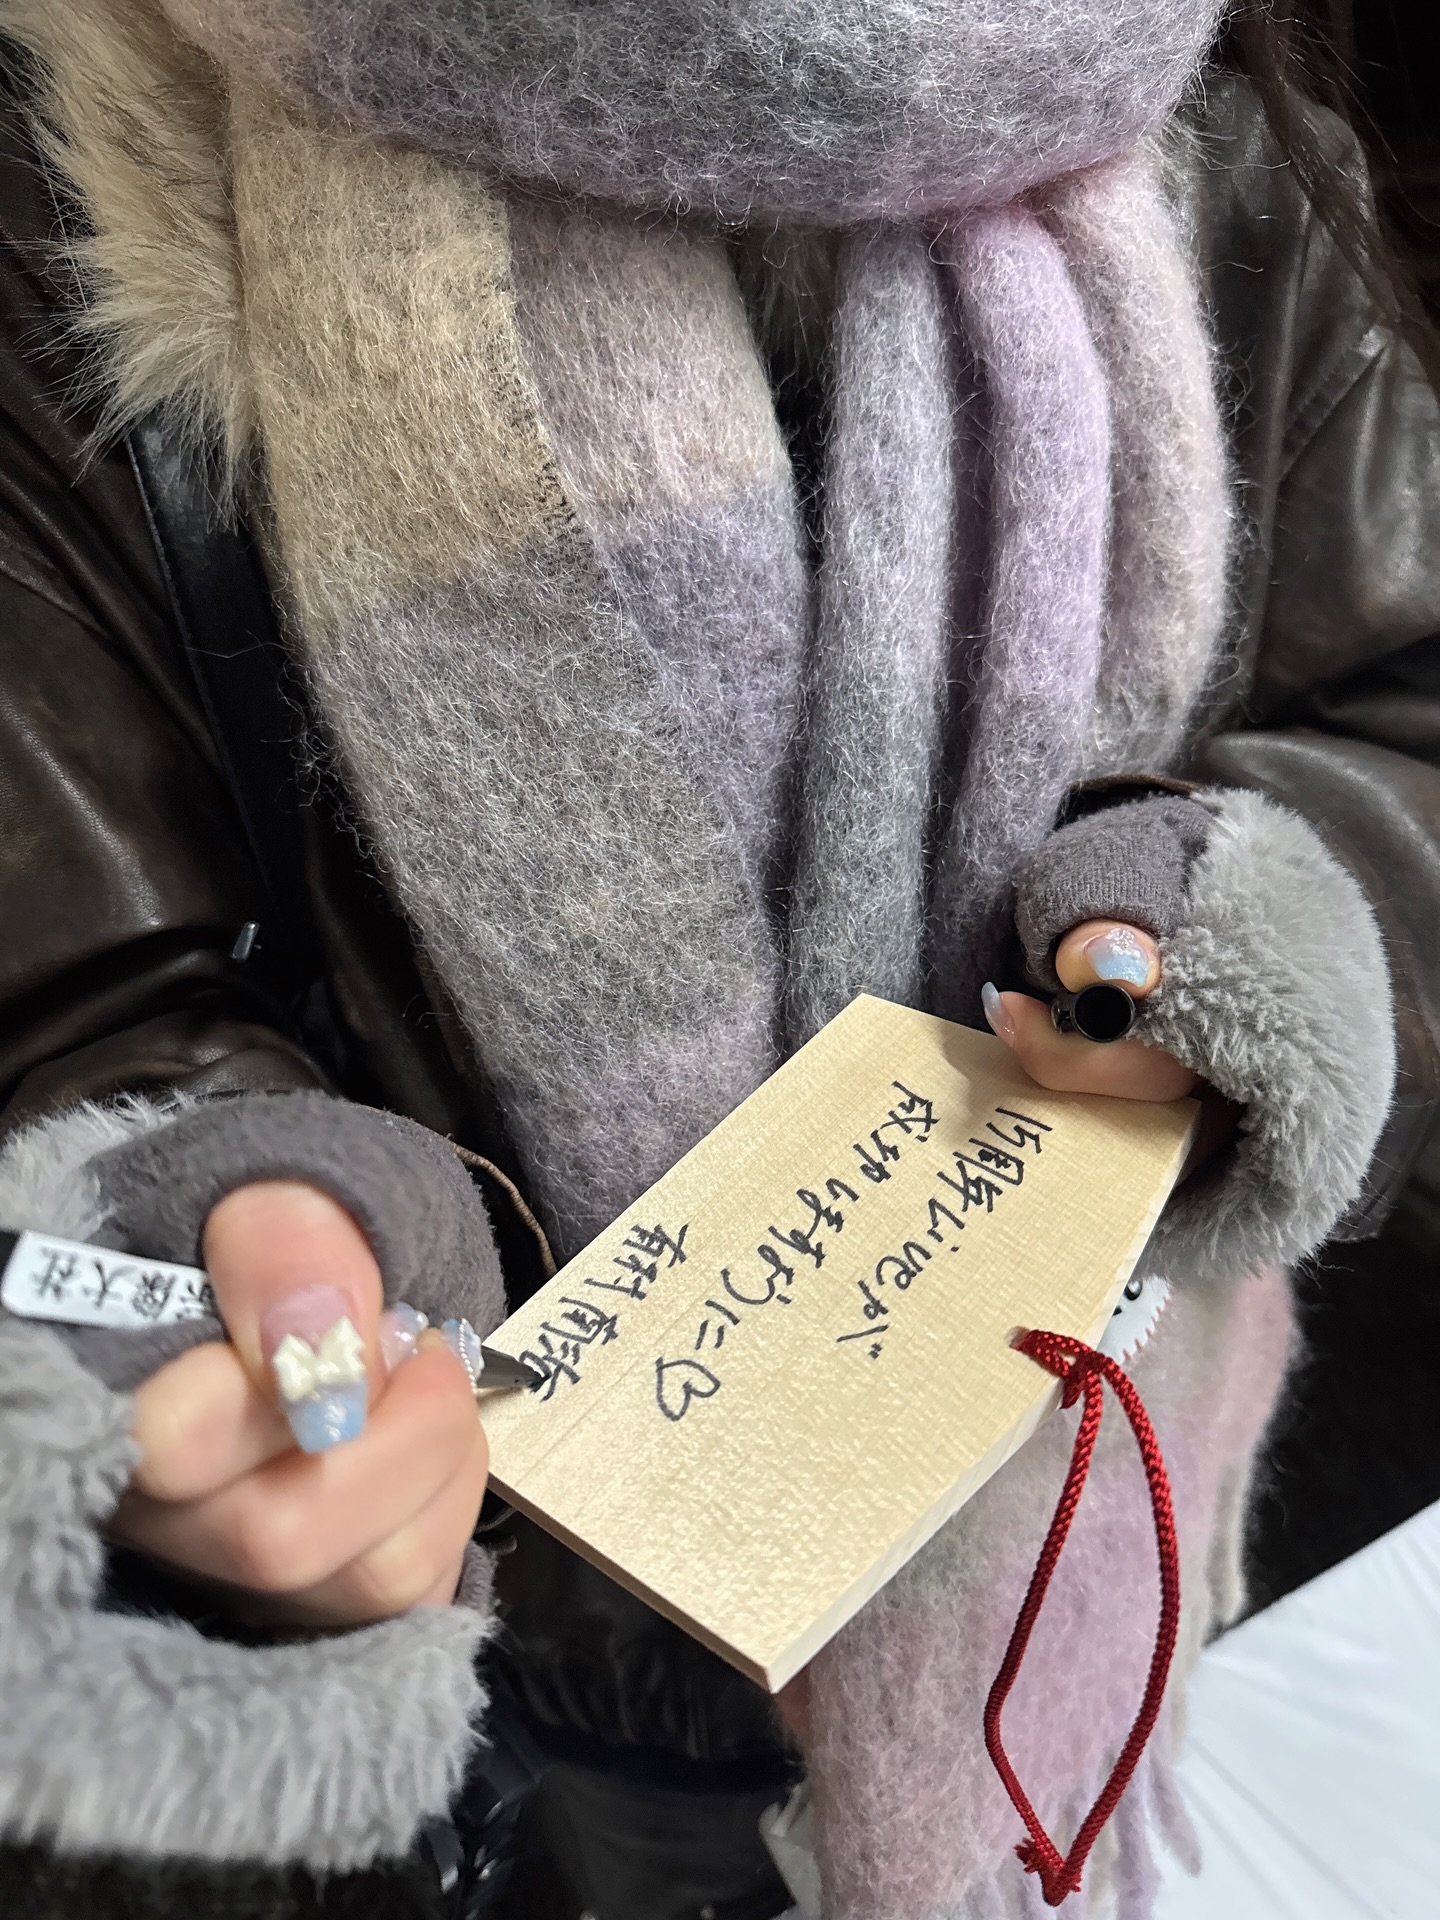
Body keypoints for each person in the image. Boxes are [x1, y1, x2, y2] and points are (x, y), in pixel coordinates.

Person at [0, 2, 1435, 1917]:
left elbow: (1403, 712)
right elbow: (84, 988)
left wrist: (1242, 931)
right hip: (550, 1607)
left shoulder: (1186, 68)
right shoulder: (80, 151)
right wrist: (237, 1228)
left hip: (1091, 1461)